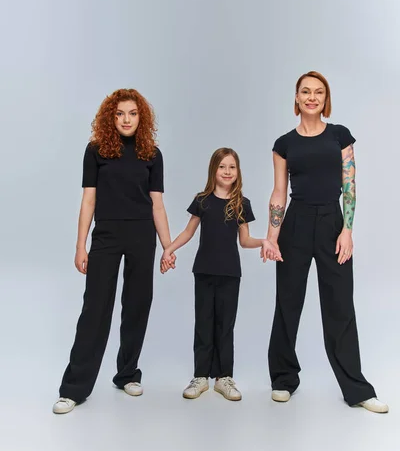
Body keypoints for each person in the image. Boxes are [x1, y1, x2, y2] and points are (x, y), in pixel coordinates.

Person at [262, 71, 388, 413]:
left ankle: (357, 389)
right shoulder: (284, 143)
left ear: (325, 98)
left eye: (318, 92)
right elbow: (278, 192)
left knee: (339, 305)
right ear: (297, 98)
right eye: (305, 91)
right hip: (296, 223)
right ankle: (284, 379)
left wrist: (347, 229)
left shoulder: (339, 136)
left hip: (333, 222)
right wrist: (271, 237)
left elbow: (350, 185)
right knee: (288, 303)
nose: (312, 97)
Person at [53, 89, 175, 414]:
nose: (126, 119)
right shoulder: (96, 151)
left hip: (141, 235)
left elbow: (158, 206)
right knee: (95, 308)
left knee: (137, 304)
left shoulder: (152, 154)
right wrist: (81, 245)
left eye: (132, 113)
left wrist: (168, 246)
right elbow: (88, 200)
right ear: (111, 116)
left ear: (141, 117)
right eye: (120, 113)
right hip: (105, 236)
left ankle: (126, 374)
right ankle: (74, 389)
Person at [162, 148, 271, 401]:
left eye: (232, 167)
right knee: (203, 322)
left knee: (225, 325)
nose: (227, 171)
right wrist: (169, 249)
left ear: (238, 171)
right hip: (203, 270)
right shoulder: (202, 200)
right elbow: (188, 232)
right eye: (222, 167)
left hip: (230, 273)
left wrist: (264, 242)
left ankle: (224, 378)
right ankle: (200, 376)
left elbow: (244, 241)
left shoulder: (241, 204)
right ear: (214, 170)